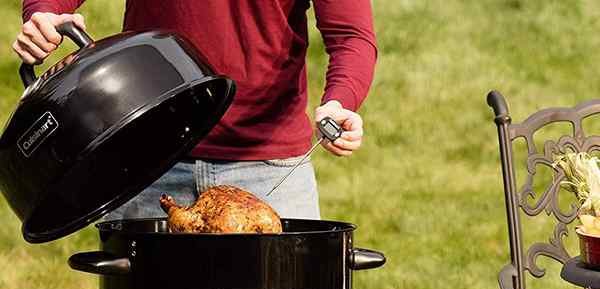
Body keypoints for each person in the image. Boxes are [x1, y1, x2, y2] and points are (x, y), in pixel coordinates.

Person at [14, 1, 377, 220]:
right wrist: (44, 13)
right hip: (145, 165)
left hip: (269, 170)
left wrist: (340, 100)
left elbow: (351, 35)